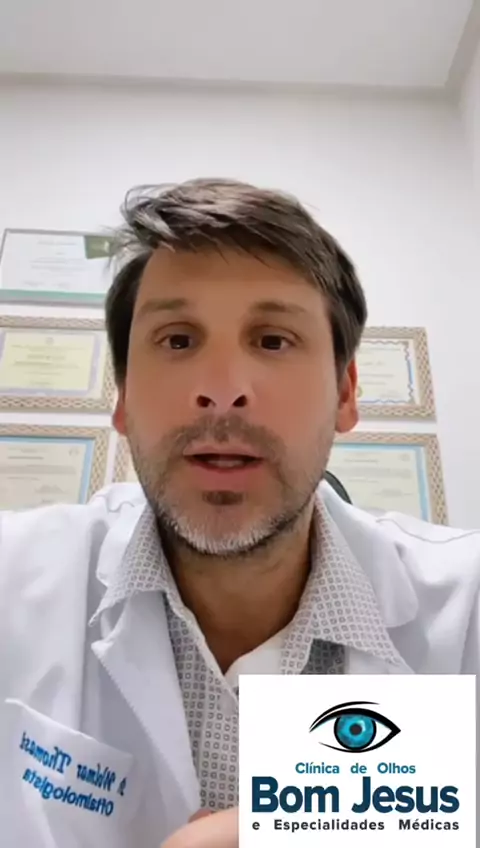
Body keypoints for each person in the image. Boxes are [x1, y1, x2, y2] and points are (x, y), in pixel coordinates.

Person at [0, 178, 479, 848]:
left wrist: (291, 822)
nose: (222, 391)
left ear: (345, 394)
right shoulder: (13, 579)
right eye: (177, 340)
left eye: (273, 340)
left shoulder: (465, 601)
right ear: (124, 398)